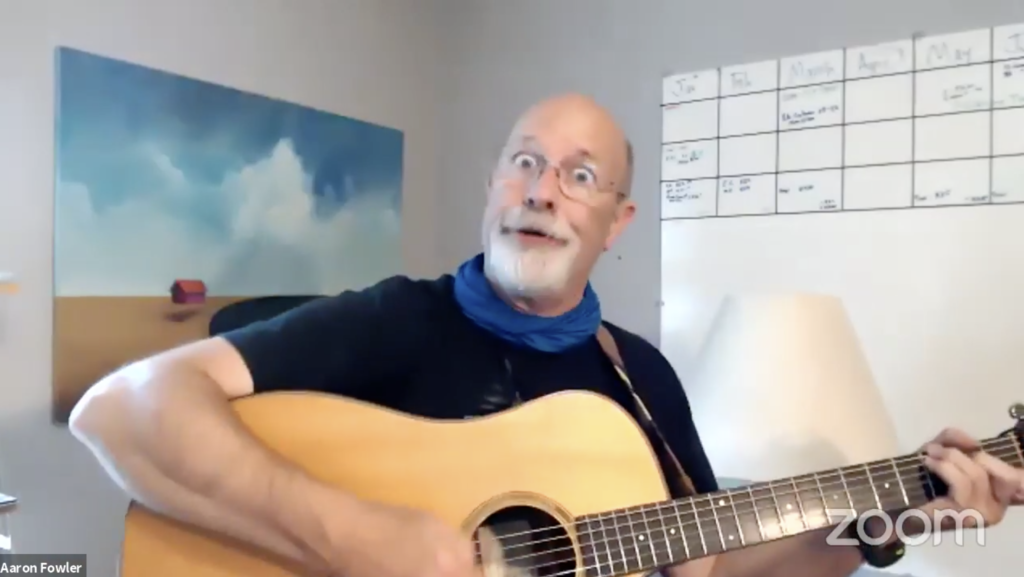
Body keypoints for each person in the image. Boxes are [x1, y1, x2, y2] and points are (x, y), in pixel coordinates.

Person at [69, 93, 1024, 577]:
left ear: (618, 222)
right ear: (494, 188)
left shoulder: (639, 377)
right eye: (525, 163)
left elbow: (705, 563)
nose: (540, 189)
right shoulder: (393, 318)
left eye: (578, 175)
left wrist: (892, 516)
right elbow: (118, 411)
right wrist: (352, 532)